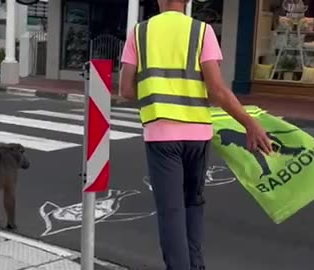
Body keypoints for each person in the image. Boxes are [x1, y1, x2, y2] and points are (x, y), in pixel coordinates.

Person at [119, 0, 273, 269]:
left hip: (161, 135)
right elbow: (217, 90)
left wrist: (156, 93)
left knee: (171, 213)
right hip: (197, 135)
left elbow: (126, 90)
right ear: (188, 1)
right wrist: (249, 122)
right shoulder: (202, 31)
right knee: (193, 204)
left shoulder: (139, 32)